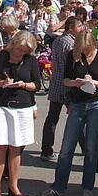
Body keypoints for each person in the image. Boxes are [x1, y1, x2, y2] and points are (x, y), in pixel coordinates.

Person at [41, 29, 98, 196]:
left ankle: (88, 186)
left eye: (87, 48)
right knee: (67, 146)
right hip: (78, 103)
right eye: (81, 49)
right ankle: (59, 185)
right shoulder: (72, 56)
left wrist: (92, 82)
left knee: (91, 147)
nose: (84, 52)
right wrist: (75, 83)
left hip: (97, 103)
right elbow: (65, 79)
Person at [0, 31, 42, 196]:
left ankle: (14, 186)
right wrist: (2, 83)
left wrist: (24, 84)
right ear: (14, 44)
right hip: (4, 106)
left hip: (23, 107)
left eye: (25, 51)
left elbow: (36, 84)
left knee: (16, 149)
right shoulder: (1, 57)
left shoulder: (30, 60)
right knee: (1, 148)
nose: (21, 53)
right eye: (19, 49)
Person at [40, 15, 81, 161]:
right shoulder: (70, 43)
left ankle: (46, 149)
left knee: (52, 117)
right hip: (66, 85)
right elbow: (70, 65)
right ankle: (85, 148)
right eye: (79, 26)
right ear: (71, 28)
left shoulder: (58, 40)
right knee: (78, 116)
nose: (81, 29)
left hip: (56, 83)